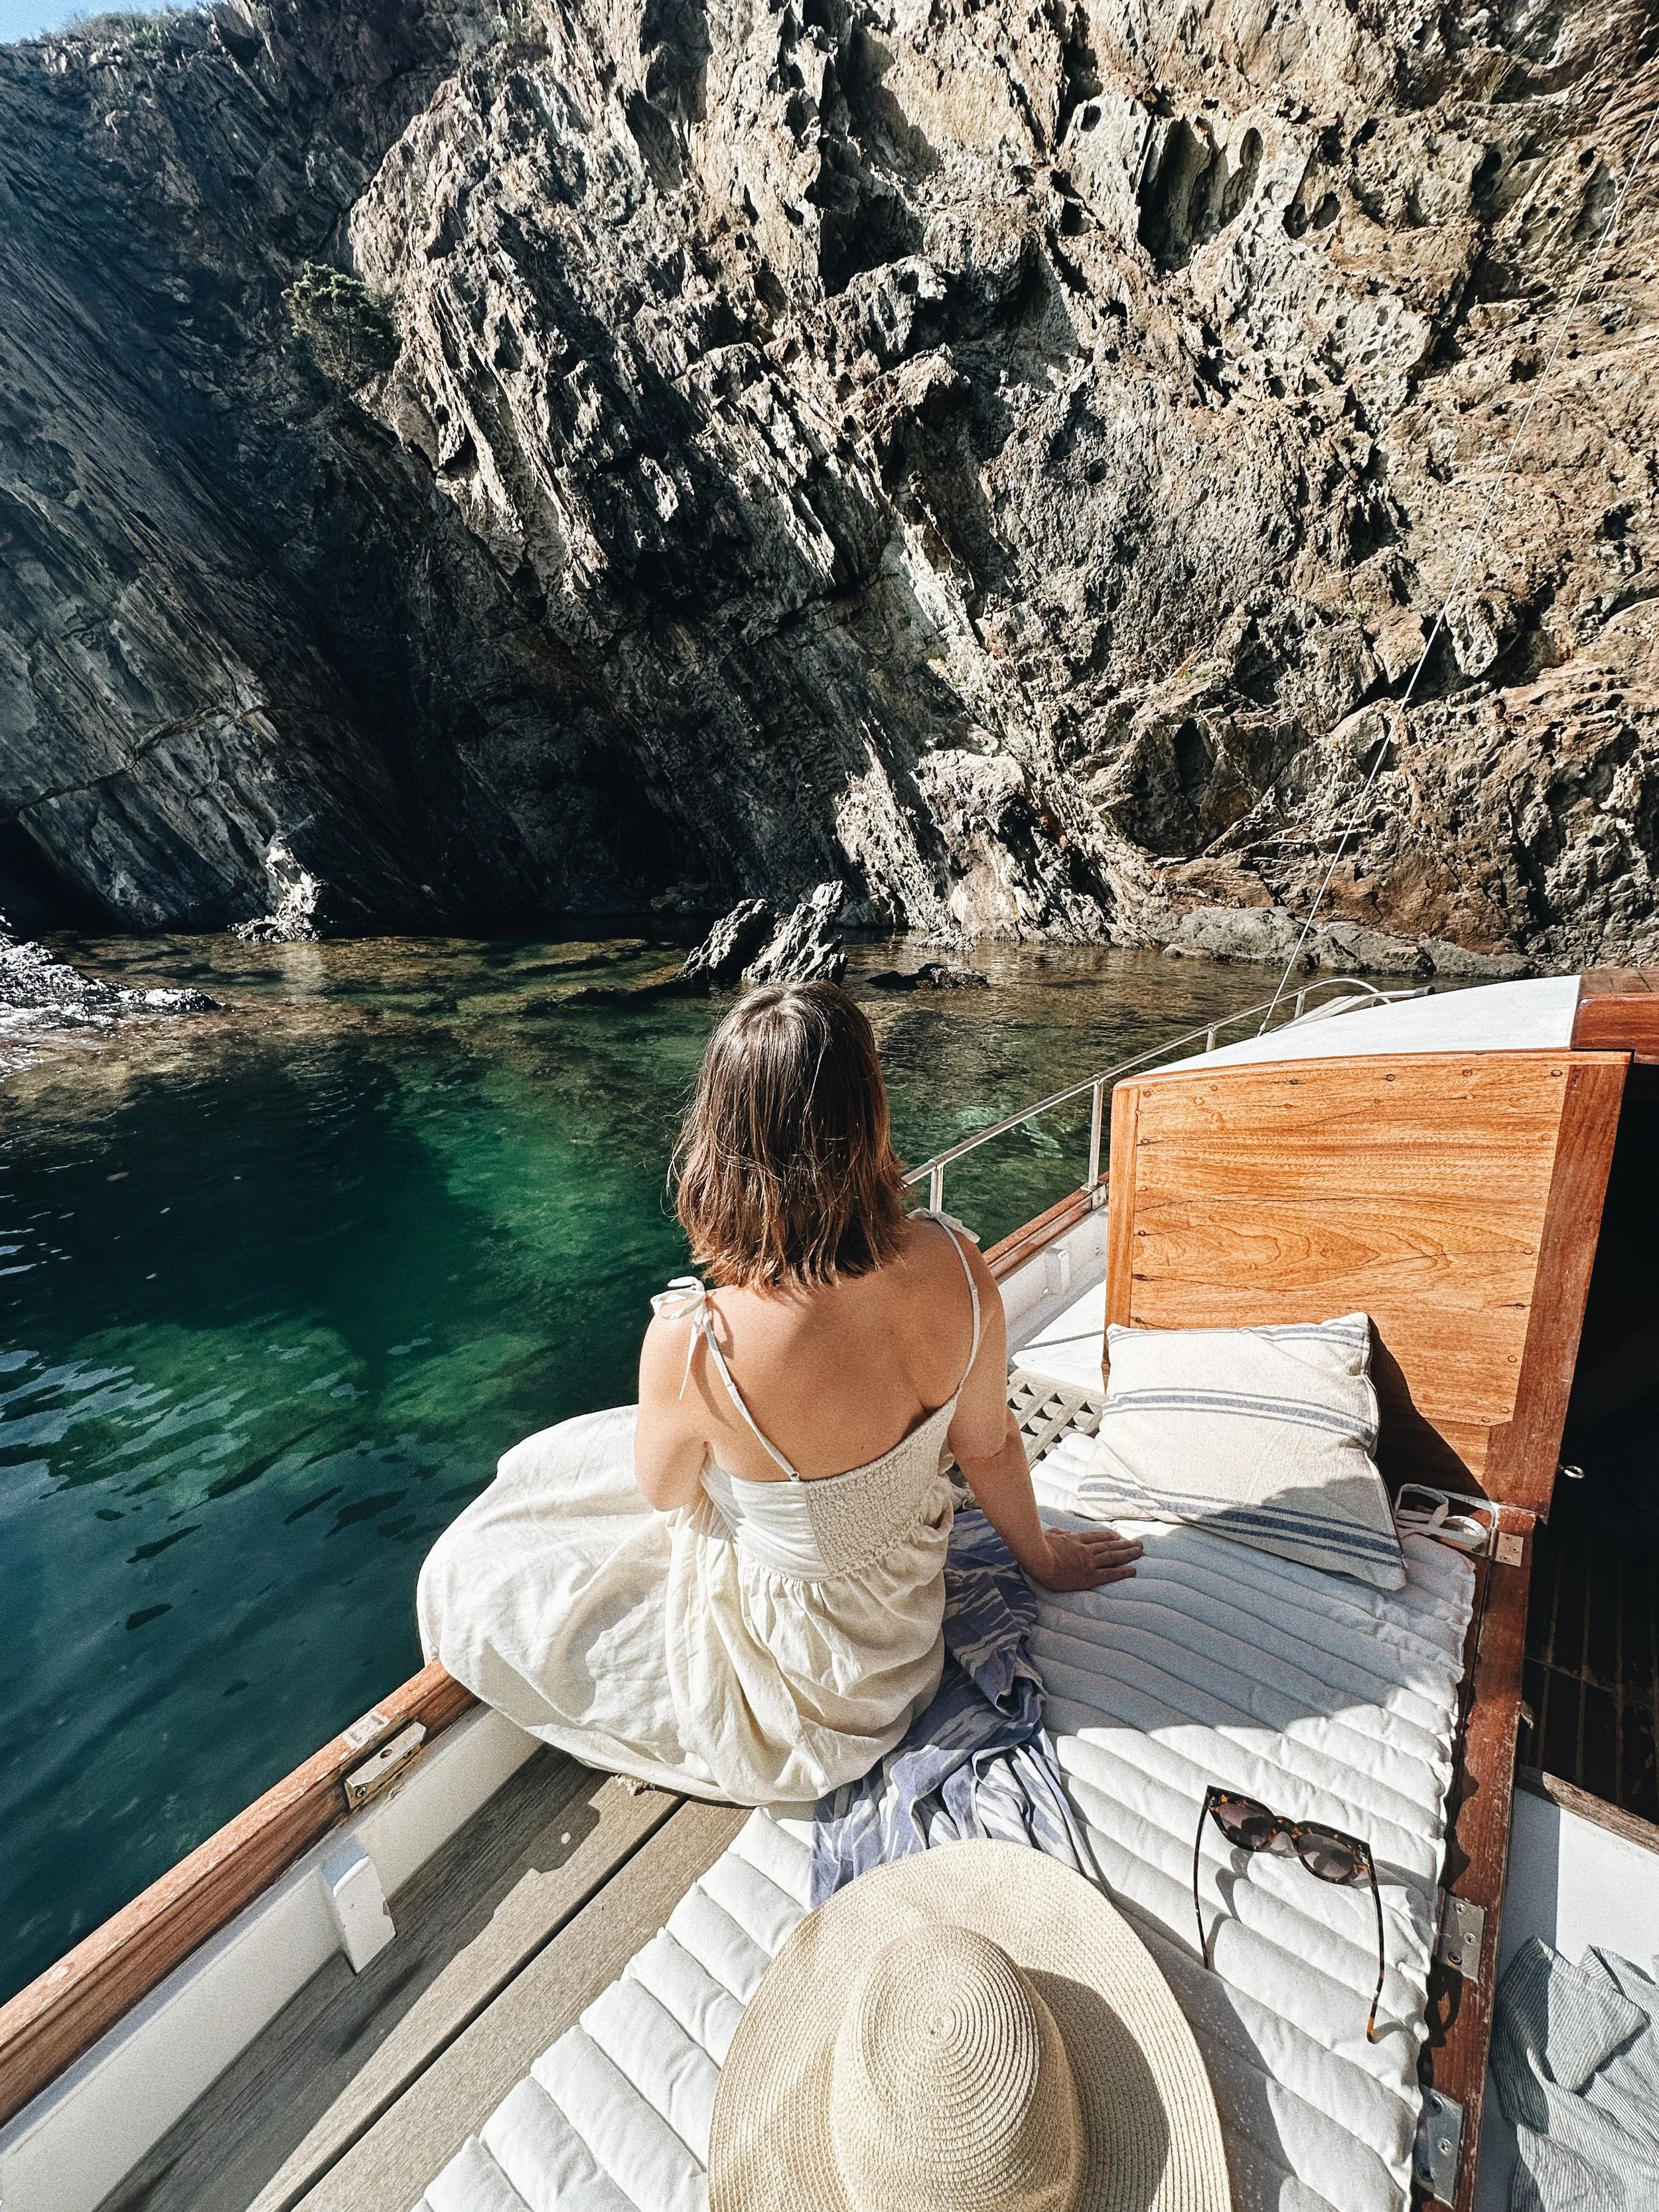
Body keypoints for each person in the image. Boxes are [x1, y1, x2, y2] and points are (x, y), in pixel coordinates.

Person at [417, 980, 1140, 1806]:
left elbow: (664, 1491)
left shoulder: (699, 1342)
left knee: (485, 1558)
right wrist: (1042, 1558)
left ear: (722, 1140)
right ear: (870, 1115)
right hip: (900, 1634)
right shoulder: (959, 1266)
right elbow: (989, 1444)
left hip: (800, 1689)